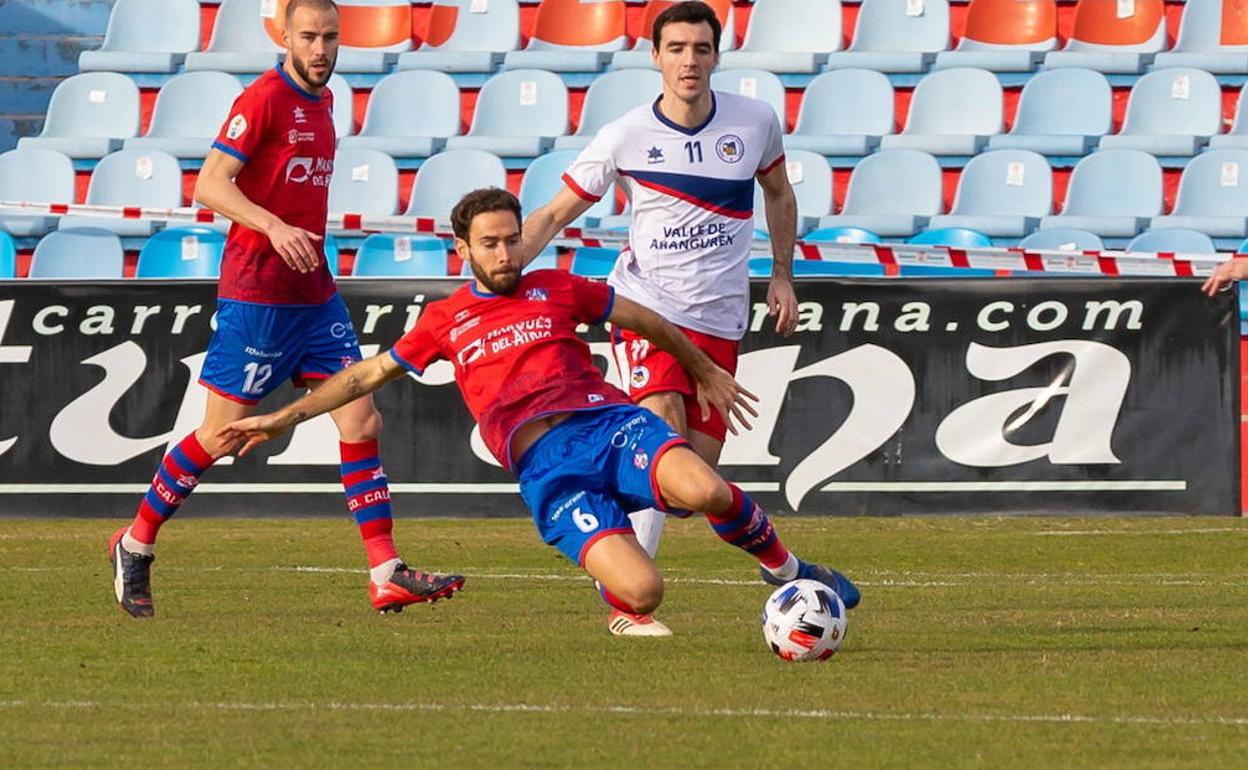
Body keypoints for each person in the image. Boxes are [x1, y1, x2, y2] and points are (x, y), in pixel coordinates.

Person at [216, 188, 859, 634]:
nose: (505, 255)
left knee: (703, 490)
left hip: (609, 425)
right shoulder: (444, 320)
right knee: (644, 593)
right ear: (462, 250)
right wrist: (283, 418)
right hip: (548, 470)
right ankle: (621, 602)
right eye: (489, 245)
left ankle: (792, 573)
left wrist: (702, 368)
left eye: (512, 240)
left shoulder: (557, 287)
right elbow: (364, 374)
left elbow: (642, 319)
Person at [107, 0, 463, 618]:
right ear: (283, 36)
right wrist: (273, 227)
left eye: (330, 38)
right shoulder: (263, 99)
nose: (321, 49)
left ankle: (385, 571)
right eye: (309, 37)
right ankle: (135, 543)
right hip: (258, 296)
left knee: (361, 423)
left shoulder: (327, 101)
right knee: (220, 435)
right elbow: (210, 184)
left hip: (315, 293)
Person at [519, 1, 801, 635]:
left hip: (721, 318)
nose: (689, 61)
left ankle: (600, 499)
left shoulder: (755, 123)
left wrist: (782, 273)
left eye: (700, 49)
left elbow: (780, 193)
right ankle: (627, 603)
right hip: (646, 307)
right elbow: (557, 212)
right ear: (655, 56)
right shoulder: (625, 135)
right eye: (676, 49)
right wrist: (504, 267)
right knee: (661, 428)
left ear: (716, 56)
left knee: (686, 486)